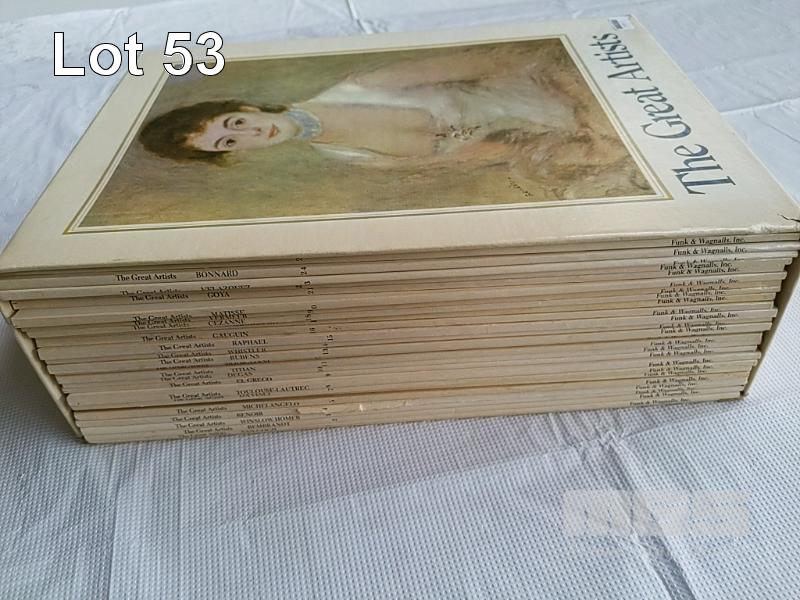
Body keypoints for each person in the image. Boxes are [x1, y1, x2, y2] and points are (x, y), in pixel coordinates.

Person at [139, 42, 643, 193]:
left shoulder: (362, 85)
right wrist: (570, 145)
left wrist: (581, 112)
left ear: (245, 108)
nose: (250, 133)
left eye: (232, 123)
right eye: (229, 143)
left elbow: (498, 61)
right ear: (235, 157)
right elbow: (482, 155)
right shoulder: (350, 158)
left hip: (561, 94)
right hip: (557, 141)